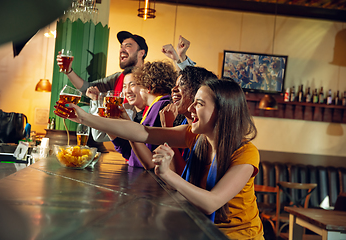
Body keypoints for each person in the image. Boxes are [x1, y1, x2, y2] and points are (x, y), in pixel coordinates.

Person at [62, 77, 264, 239]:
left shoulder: (245, 152)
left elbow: (212, 202)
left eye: (199, 104)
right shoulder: (196, 137)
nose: (191, 108)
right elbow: (143, 132)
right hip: (200, 230)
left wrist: (167, 174)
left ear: (222, 112)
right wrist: (86, 118)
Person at [56, 31, 148, 95]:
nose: (121, 50)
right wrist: (68, 71)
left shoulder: (149, 78)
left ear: (141, 53)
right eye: (121, 47)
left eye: (128, 46)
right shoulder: (117, 78)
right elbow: (87, 88)